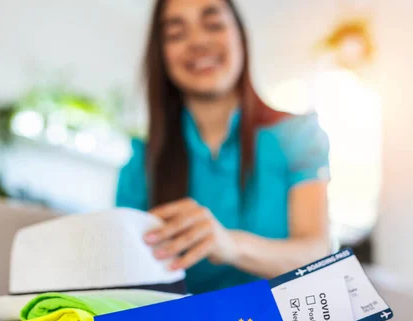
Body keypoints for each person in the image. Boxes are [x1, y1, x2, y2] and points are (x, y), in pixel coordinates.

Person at [116, 0, 331, 294]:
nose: (198, 42)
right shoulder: (142, 162)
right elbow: (124, 274)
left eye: (213, 24)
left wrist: (230, 244)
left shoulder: (297, 135)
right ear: (161, 55)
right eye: (177, 34)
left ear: (240, 36)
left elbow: (317, 252)